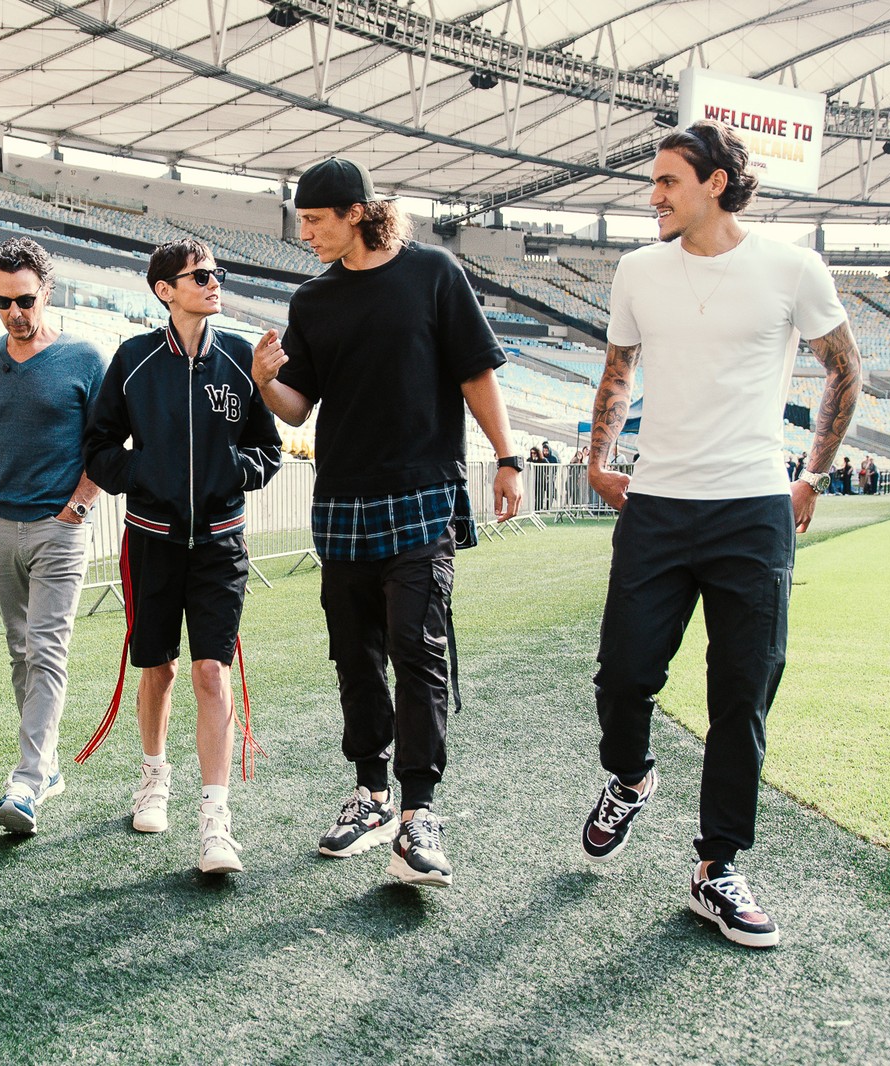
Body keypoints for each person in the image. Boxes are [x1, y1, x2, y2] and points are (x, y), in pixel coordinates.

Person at [579, 120, 860, 948]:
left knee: (743, 694)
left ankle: (717, 866)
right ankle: (630, 777)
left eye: (668, 182)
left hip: (751, 508)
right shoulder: (638, 269)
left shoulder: (791, 267)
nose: (654, 196)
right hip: (657, 505)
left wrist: (811, 473)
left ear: (715, 184)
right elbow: (617, 370)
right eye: (653, 182)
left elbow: (844, 365)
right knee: (623, 677)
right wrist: (598, 460)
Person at [252, 157, 524, 889]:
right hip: (341, 501)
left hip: (423, 493)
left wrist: (508, 457)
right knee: (354, 651)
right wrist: (263, 379)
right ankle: (371, 795)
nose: (304, 234)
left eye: (314, 221)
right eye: (302, 221)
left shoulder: (434, 273)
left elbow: (476, 374)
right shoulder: (313, 299)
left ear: (356, 213)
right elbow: (297, 406)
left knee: (417, 643)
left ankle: (419, 814)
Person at [82, 238, 282, 874]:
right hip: (152, 539)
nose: (213, 282)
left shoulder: (239, 361)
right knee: (159, 668)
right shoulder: (134, 359)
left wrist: (233, 472)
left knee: (211, 673)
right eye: (200, 276)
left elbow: (268, 450)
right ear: (164, 290)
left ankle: (216, 819)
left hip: (221, 542)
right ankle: (154, 775)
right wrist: (148, 473)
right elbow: (99, 448)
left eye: (216, 274)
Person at [0, 237, 106, 834]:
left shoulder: (85, 358)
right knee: (19, 650)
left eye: (24, 300)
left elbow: (107, 441)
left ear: (48, 291)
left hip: (59, 528)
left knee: (47, 648)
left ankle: (25, 781)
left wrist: (79, 505)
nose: (14, 314)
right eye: (2, 303)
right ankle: (45, 765)